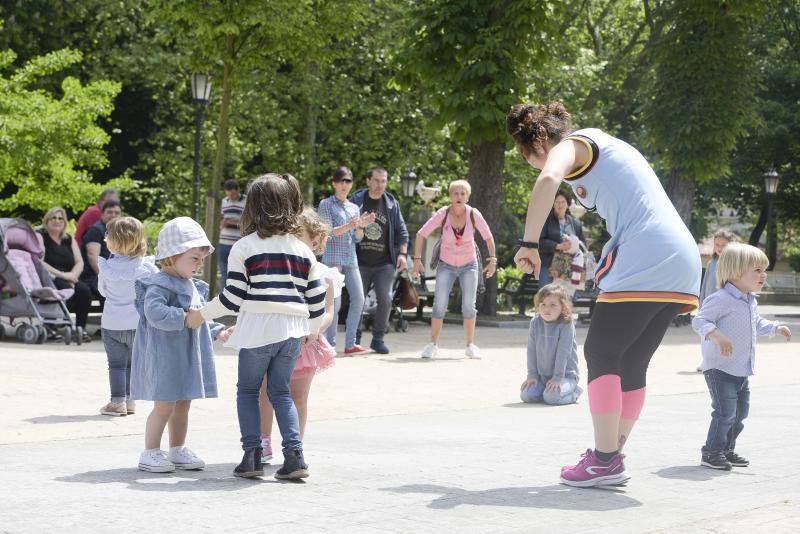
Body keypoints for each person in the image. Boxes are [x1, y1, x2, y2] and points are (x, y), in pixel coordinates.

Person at [507, 102, 701, 487]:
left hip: (647, 253)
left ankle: (605, 459)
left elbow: (548, 179)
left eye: (527, 157)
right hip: (682, 258)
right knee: (631, 361)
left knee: (600, 353)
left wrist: (528, 244)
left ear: (538, 144)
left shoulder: (572, 145)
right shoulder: (606, 146)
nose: (532, 164)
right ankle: (611, 456)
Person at [189, 173, 327, 480]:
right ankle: (295, 456)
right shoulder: (302, 249)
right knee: (281, 392)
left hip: (258, 330)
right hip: (293, 330)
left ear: (251, 207)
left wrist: (201, 315)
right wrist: (313, 330)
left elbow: (232, 298)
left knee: (249, 391)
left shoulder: (244, 247)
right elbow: (317, 298)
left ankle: (252, 456)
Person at [130, 217, 222, 473]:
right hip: (166, 357)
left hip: (186, 358)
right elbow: (154, 312)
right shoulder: (159, 284)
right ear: (171, 256)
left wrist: (217, 330)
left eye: (201, 259)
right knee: (164, 405)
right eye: (194, 258)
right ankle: (150, 451)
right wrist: (182, 317)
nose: (199, 263)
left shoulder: (192, 286)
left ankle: (177, 448)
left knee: (183, 403)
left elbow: (199, 317)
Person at [692, 243, 791, 470]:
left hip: (741, 368)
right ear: (735, 272)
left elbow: (757, 322)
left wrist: (775, 328)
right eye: (757, 270)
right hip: (720, 368)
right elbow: (700, 320)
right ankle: (711, 452)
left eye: (764, 270)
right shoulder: (720, 299)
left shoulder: (749, 300)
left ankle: (726, 450)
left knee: (739, 414)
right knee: (725, 412)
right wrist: (717, 335)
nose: (763, 275)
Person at [259, 208, 339, 460]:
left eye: (297, 235)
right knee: (266, 392)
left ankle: (295, 445)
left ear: (315, 241)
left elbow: (328, 310)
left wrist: (315, 330)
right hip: (276, 338)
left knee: (299, 397)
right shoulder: (279, 268)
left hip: (306, 343)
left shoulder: (325, 275)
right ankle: (263, 441)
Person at [411, 180, 496, 360]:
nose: (459, 196)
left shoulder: (473, 214)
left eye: (463, 193)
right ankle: (432, 345)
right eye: (456, 193)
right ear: (450, 196)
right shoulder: (443, 214)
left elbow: (488, 237)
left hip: (469, 264)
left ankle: (470, 345)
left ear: (467, 197)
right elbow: (421, 234)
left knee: (469, 305)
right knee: (439, 304)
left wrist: (492, 260)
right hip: (446, 264)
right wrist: (417, 260)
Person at [97, 217, 158, 417]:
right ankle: (130, 400)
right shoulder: (146, 267)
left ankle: (117, 402)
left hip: (112, 323)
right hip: (137, 324)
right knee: (133, 364)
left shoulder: (107, 267)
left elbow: (102, 291)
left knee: (116, 365)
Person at [350, 167, 410, 354]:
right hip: (359, 261)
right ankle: (354, 339)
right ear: (368, 181)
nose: (379, 185)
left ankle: (378, 339)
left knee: (386, 298)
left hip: (385, 263)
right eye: (376, 180)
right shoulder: (356, 201)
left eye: (383, 181)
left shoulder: (391, 204)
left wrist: (402, 254)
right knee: (358, 300)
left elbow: (402, 233)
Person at [318, 166, 375, 355]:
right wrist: (350, 225)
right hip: (332, 260)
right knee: (334, 304)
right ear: (334, 183)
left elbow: (357, 239)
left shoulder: (354, 208)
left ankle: (351, 344)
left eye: (348, 181)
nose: (345, 184)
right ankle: (329, 345)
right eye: (341, 180)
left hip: (351, 259)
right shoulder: (326, 204)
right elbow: (328, 232)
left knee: (359, 299)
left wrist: (361, 227)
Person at [520, 284, 582, 405]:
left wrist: (557, 378)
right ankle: (545, 391)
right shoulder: (535, 322)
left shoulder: (566, 325)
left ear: (563, 307)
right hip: (542, 378)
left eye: (553, 305)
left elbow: (563, 353)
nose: (547, 309)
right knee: (526, 395)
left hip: (565, 377)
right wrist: (532, 375)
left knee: (551, 398)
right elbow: (531, 350)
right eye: (543, 304)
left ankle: (574, 393)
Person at [36, 208, 94, 337]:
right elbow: (39, 261)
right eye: (53, 218)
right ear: (47, 221)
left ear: (65, 222)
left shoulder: (69, 239)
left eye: (60, 218)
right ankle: (50, 327)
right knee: (65, 287)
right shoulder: (40, 236)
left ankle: (79, 330)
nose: (57, 221)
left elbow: (79, 262)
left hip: (70, 276)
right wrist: (63, 276)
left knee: (84, 291)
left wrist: (73, 275)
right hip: (50, 277)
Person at [696, 229, 738, 371]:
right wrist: (701, 304)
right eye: (717, 245)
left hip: (724, 307)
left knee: (722, 335)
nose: (719, 248)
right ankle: (706, 361)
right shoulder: (711, 263)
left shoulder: (734, 266)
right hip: (708, 306)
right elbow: (705, 286)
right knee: (706, 334)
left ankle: (723, 362)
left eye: (723, 245)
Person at [537, 189, 585, 287]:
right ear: (553, 204)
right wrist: (558, 246)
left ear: (567, 204)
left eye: (563, 202)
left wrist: (573, 246)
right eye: (557, 202)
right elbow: (539, 242)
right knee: (546, 293)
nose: (560, 205)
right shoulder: (545, 221)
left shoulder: (575, 223)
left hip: (569, 266)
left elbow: (583, 244)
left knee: (567, 295)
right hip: (548, 265)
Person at [80, 200, 122, 300]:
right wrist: (108, 278)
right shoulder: (96, 230)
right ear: (102, 214)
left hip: (113, 275)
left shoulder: (119, 232)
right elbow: (92, 257)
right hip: (94, 276)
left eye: (117, 213)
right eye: (109, 212)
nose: (113, 215)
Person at [218, 178, 247, 289]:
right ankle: (223, 296)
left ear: (238, 190)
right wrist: (223, 223)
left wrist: (230, 222)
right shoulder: (224, 201)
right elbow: (219, 221)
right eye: (229, 195)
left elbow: (247, 222)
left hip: (238, 244)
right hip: (223, 243)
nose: (232, 197)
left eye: (234, 194)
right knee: (224, 274)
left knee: (239, 275)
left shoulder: (246, 201)